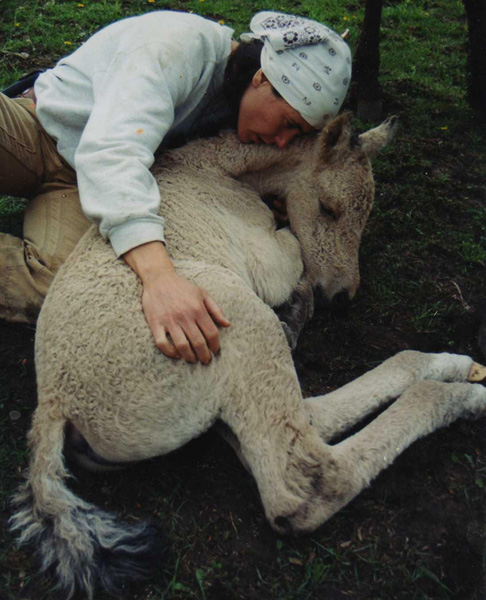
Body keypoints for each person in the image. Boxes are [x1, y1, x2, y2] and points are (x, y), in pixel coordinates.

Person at [0, 10, 351, 364]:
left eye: (295, 136)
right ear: (262, 78)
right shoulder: (176, 48)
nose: (281, 142)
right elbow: (112, 152)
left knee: (61, 288)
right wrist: (160, 279)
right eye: (287, 124)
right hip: (37, 129)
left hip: (81, 186)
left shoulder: (238, 100)